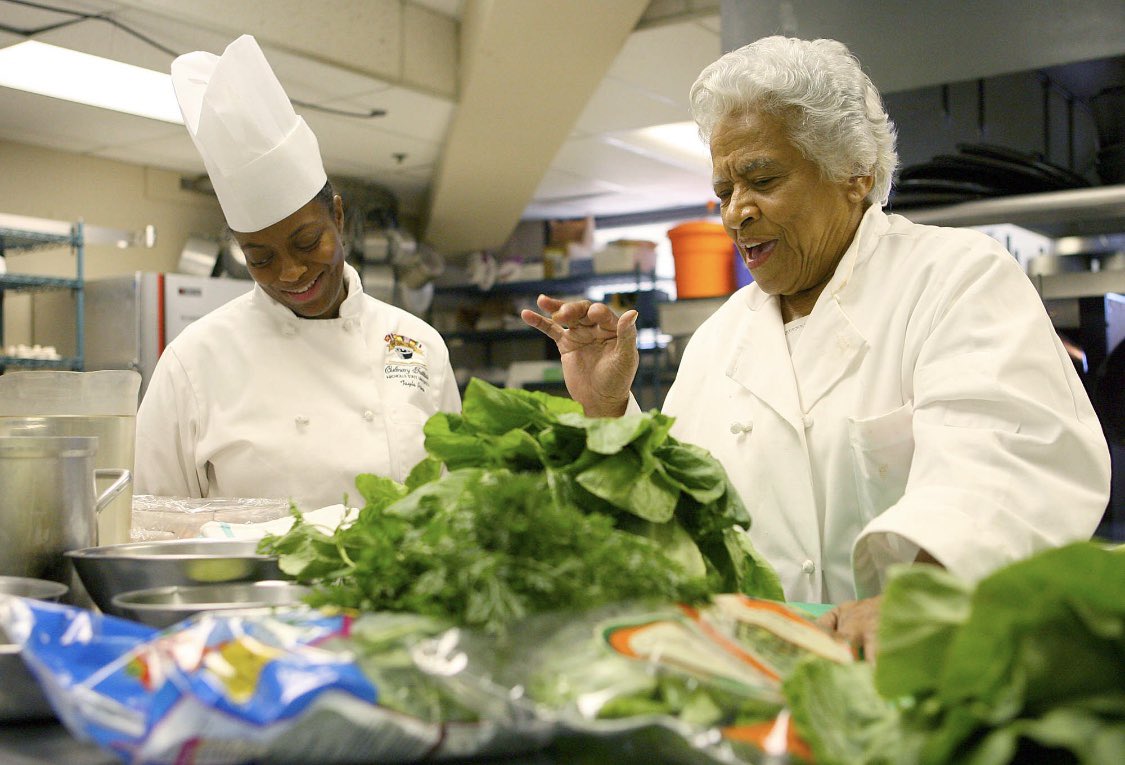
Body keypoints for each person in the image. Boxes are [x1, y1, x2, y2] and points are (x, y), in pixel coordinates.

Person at [521, 36, 1111, 657]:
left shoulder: (954, 278)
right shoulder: (719, 340)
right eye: (724, 192)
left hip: (926, 655)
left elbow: (1009, 463)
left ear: (854, 175)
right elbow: (680, 509)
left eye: (762, 180)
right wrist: (610, 410)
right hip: (760, 674)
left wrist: (922, 596)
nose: (735, 215)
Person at [135, 35, 460, 510]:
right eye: (260, 257)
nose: (290, 272)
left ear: (339, 217)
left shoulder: (418, 344)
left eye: (307, 242)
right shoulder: (193, 364)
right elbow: (152, 525)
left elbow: (454, 500)